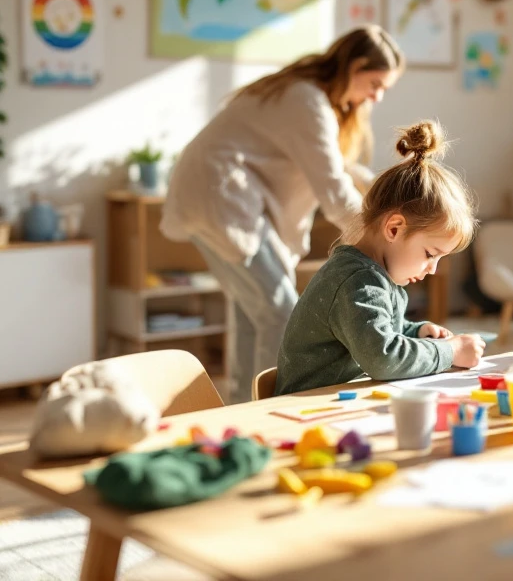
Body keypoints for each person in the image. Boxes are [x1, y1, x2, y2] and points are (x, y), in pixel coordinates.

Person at [161, 26, 404, 402]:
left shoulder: (311, 98)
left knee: (251, 314)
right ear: (354, 66)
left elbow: (341, 168)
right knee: (280, 312)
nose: (378, 95)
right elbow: (334, 189)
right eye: (375, 83)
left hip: (215, 194)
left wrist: (387, 194)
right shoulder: (307, 101)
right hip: (219, 197)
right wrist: (381, 239)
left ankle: (242, 407)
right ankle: (268, 407)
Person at [275, 121, 485, 394]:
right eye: (430, 254)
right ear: (394, 228)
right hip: (301, 408)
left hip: (333, 400)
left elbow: (375, 330)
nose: (432, 269)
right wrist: (449, 351)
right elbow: (383, 358)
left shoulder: (377, 276)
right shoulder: (356, 282)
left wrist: (416, 332)